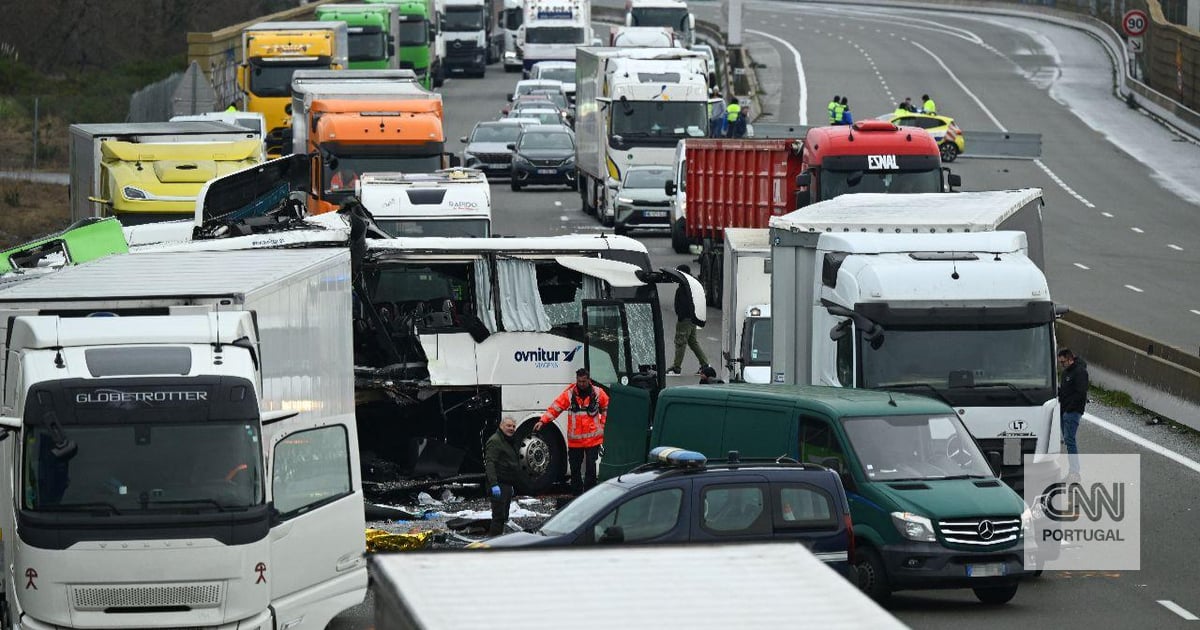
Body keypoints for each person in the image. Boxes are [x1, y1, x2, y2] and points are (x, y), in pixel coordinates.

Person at [537, 369, 609, 496]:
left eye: (584, 381)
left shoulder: (598, 393)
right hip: (575, 441)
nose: (581, 384)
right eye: (579, 381)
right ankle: (576, 495)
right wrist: (543, 421)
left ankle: (589, 494)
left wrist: (603, 426)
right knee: (575, 470)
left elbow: (607, 407)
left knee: (591, 469)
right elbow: (555, 408)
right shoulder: (569, 394)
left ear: (589, 380)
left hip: (593, 440)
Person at [666, 264, 709, 376]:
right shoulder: (692, 283)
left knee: (680, 342)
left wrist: (681, 316)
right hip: (692, 318)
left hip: (685, 319)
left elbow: (685, 304)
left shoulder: (685, 286)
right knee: (693, 342)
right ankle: (705, 364)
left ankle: (676, 368)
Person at [484, 416, 523, 536]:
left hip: (506, 484)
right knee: (498, 518)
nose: (511, 428)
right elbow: (490, 464)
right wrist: (494, 484)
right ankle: (493, 546)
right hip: (499, 485)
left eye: (513, 426)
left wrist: (511, 485)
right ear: (501, 426)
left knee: (504, 516)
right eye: (508, 426)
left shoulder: (508, 440)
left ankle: (499, 543)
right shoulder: (495, 441)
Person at [1057, 348, 1088, 480]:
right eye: (1060, 362)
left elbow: (1081, 393)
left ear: (1070, 359)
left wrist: (1069, 409)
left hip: (1072, 411)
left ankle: (1074, 472)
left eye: (1063, 362)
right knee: (1068, 440)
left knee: (1070, 440)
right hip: (1065, 410)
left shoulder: (1080, 372)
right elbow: (1065, 391)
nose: (1061, 365)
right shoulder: (1066, 373)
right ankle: (1073, 472)